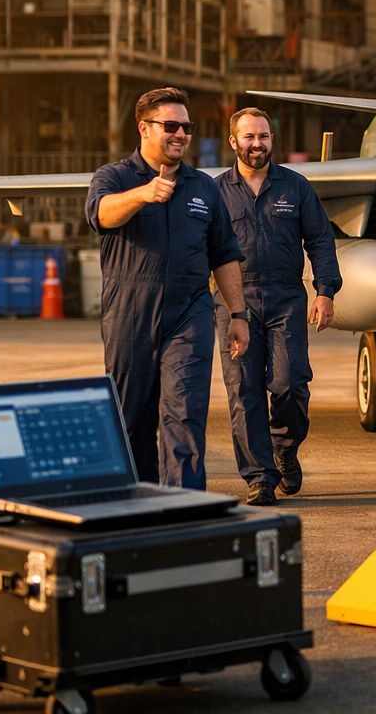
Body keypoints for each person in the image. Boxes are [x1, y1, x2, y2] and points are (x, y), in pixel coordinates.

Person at [86, 86, 248, 487]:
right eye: (171, 126)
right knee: (130, 417)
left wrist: (239, 314)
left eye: (187, 127)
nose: (180, 135)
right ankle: (136, 501)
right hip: (130, 314)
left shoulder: (204, 187)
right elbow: (101, 214)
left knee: (185, 414)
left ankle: (183, 506)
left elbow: (224, 254)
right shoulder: (114, 177)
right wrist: (142, 195)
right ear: (144, 128)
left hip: (188, 314)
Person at [213, 108, 341, 506]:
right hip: (235, 303)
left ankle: (284, 447)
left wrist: (325, 291)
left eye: (264, 136)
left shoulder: (296, 188)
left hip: (286, 298)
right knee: (243, 390)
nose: (257, 144)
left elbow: (320, 239)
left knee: (290, 385)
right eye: (249, 137)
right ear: (233, 141)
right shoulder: (215, 192)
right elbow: (196, 248)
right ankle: (259, 478)